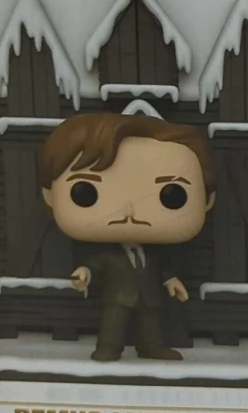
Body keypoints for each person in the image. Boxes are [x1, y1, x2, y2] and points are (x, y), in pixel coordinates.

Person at [38, 113, 215, 363]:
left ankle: (152, 347)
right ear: (49, 195)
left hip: (148, 295)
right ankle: (108, 348)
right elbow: (95, 264)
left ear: (207, 199)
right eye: (86, 192)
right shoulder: (109, 253)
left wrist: (171, 280)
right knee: (113, 322)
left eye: (172, 195)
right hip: (118, 296)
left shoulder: (152, 252)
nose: (130, 211)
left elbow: (161, 266)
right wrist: (84, 273)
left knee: (150, 322)